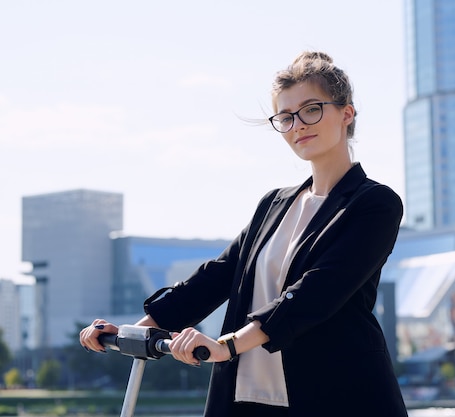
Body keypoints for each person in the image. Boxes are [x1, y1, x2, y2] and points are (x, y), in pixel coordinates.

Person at [80, 51, 408, 417]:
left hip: (339, 393)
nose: (298, 125)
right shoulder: (274, 204)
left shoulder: (374, 204)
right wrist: (135, 332)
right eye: (286, 117)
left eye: (311, 109)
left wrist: (229, 345)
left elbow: (317, 292)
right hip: (248, 394)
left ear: (346, 113)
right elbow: (218, 276)